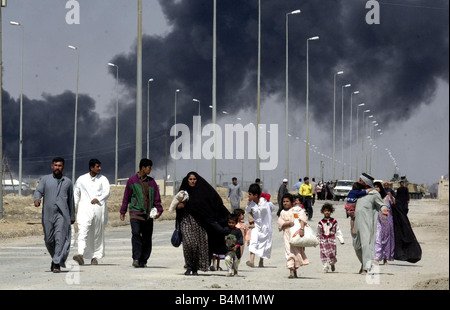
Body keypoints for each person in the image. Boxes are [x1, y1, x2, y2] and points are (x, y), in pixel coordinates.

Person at [175, 172, 230, 275]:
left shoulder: (202, 192)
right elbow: (176, 205)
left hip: (199, 223)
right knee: (188, 244)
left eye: (194, 179)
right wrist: (179, 207)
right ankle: (189, 265)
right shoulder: (182, 192)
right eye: (190, 179)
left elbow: (212, 202)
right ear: (187, 180)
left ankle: (195, 267)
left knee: (197, 246)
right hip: (186, 221)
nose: (192, 181)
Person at [33, 157, 75, 273]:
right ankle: (55, 258)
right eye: (55, 165)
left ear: (63, 167)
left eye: (60, 165)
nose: (57, 167)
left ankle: (56, 263)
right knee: (48, 239)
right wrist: (37, 199)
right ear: (52, 166)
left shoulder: (67, 182)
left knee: (59, 239)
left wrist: (72, 216)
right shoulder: (45, 179)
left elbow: (71, 200)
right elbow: (38, 191)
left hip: (62, 215)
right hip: (48, 214)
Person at [120, 158, 163, 268]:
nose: (150, 169)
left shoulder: (152, 182)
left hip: (148, 215)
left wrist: (159, 210)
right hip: (135, 213)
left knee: (147, 237)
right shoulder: (132, 181)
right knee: (136, 235)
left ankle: (144, 259)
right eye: (149, 167)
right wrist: (123, 211)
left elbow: (157, 198)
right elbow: (126, 197)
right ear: (143, 168)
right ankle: (136, 258)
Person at [72, 159, 110, 266]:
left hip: (98, 209)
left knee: (96, 233)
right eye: (97, 166)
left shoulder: (103, 179)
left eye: (100, 166)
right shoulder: (81, 179)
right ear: (91, 167)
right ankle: (80, 254)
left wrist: (99, 199)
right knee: (83, 231)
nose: (100, 168)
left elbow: (107, 192)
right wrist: (72, 210)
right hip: (84, 209)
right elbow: (76, 194)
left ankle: (95, 257)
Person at [353, 173, 389, 274]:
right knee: (356, 246)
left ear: (365, 183)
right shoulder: (358, 192)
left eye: (360, 181)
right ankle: (364, 262)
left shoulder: (374, 193)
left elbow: (381, 204)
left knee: (366, 245)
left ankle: (366, 267)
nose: (358, 182)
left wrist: (384, 209)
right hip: (355, 222)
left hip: (367, 223)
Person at [277, 193, 309, 278]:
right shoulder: (282, 212)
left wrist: (302, 229)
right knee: (289, 252)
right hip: (287, 235)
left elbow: (303, 219)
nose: (285, 203)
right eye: (284, 201)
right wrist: (287, 223)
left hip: (297, 234)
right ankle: (291, 270)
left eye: (287, 201)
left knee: (297, 252)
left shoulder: (297, 210)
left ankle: (295, 269)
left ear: (291, 202)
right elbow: (280, 223)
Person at [245, 184, 275, 268]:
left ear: (256, 195)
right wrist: (248, 203)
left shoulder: (265, 202)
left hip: (266, 226)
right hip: (256, 226)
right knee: (253, 241)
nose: (248, 195)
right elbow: (247, 210)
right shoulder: (251, 204)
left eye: (250, 194)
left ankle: (261, 261)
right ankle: (252, 261)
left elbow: (273, 207)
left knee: (264, 243)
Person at [317, 203, 344, 273]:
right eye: (325, 211)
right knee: (324, 253)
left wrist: (341, 239)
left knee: (332, 253)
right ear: (323, 212)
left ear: (331, 212)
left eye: (328, 211)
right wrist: (316, 240)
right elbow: (318, 232)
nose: (327, 212)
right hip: (323, 240)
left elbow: (337, 230)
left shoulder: (334, 221)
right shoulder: (320, 222)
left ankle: (332, 263)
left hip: (332, 240)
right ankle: (325, 267)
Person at [373, 181, 395, 265]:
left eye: (377, 187)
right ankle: (378, 257)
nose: (376, 188)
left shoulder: (386, 197)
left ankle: (386, 258)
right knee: (378, 237)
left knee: (387, 239)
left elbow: (394, 203)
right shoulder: (373, 197)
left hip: (387, 220)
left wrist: (391, 197)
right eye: (375, 187)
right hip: (377, 219)